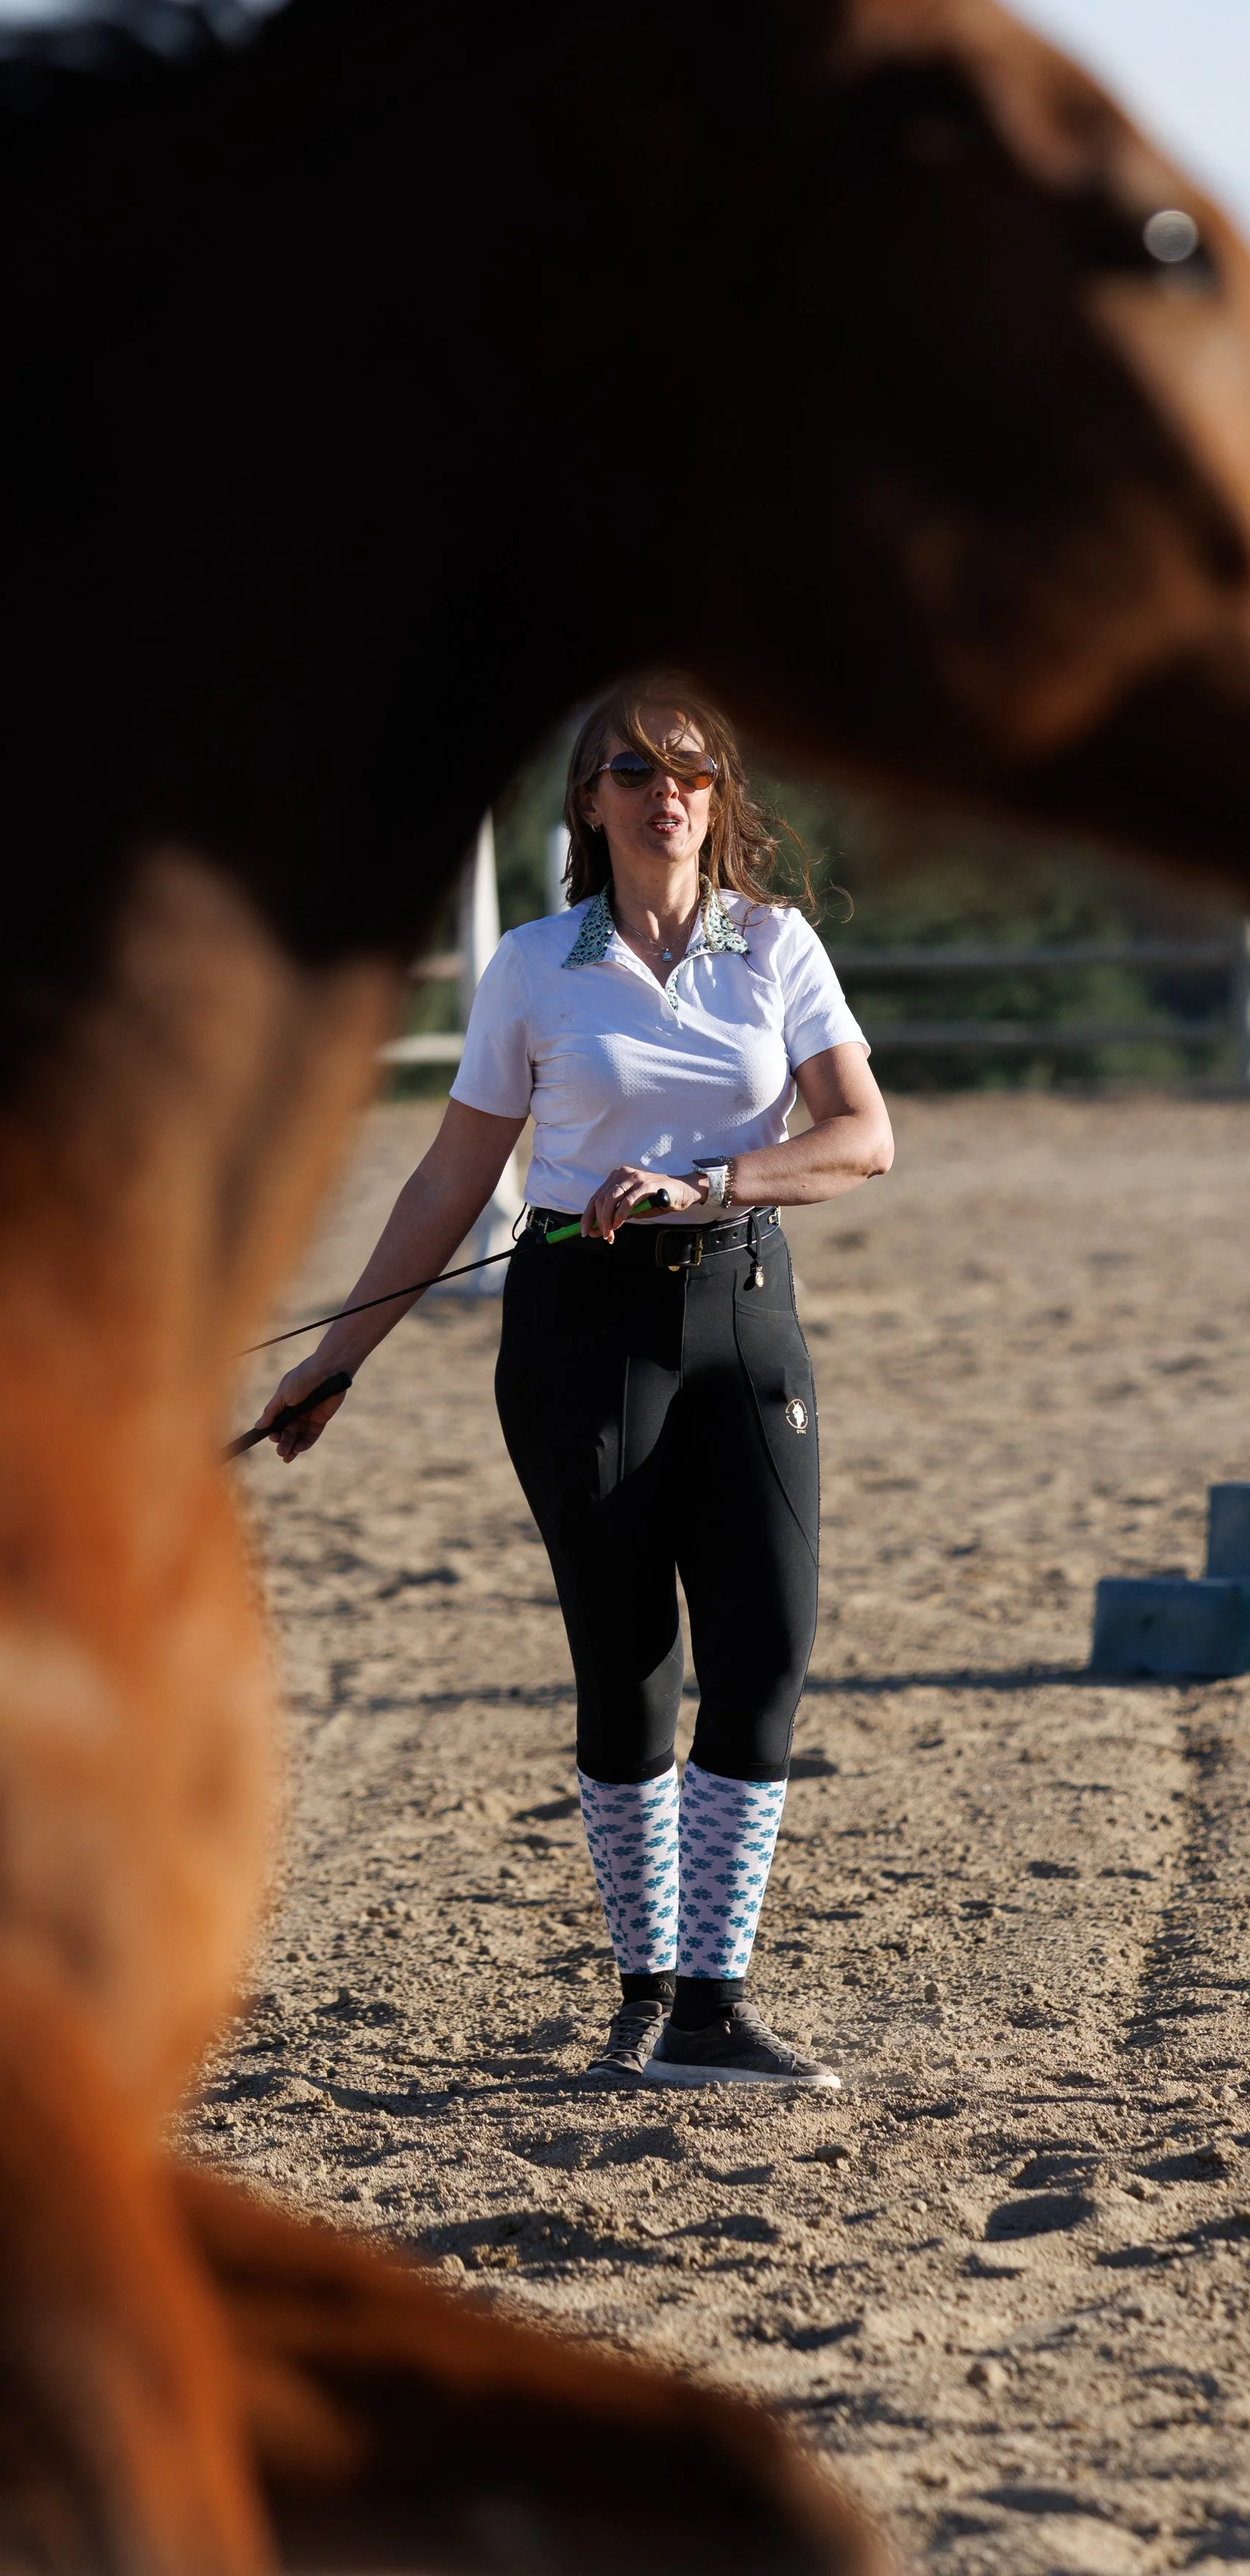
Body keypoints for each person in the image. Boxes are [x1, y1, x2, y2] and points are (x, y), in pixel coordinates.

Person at [260, 673, 893, 2088]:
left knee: (770, 1650)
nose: (668, 790)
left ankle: (713, 2009)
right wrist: (337, 1355)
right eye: (634, 769)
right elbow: (449, 1178)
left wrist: (712, 1179)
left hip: (744, 1307)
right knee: (630, 1668)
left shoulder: (776, 948)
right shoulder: (535, 966)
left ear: (719, 799)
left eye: (694, 770)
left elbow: (864, 1137)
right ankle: (653, 1989)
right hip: (577, 1333)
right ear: (590, 802)